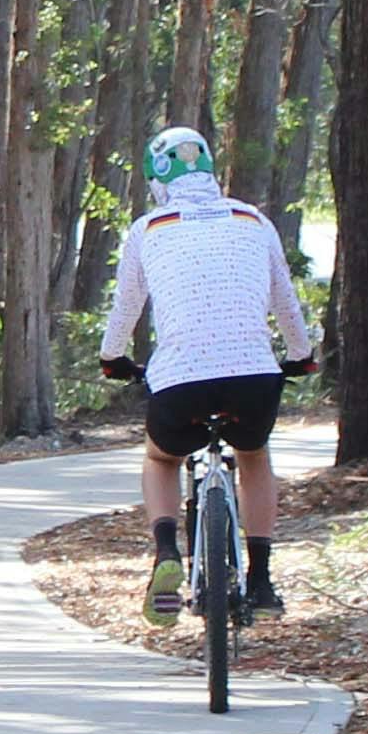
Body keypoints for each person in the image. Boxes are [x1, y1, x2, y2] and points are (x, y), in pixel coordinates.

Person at [96, 123, 319, 620]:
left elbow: (125, 309)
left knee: (161, 460)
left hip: (179, 382)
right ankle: (261, 582)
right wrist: (302, 354)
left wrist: (113, 358)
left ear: (158, 179)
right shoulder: (253, 219)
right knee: (254, 456)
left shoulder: (149, 229)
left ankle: (167, 554)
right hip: (254, 379)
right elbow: (287, 304)